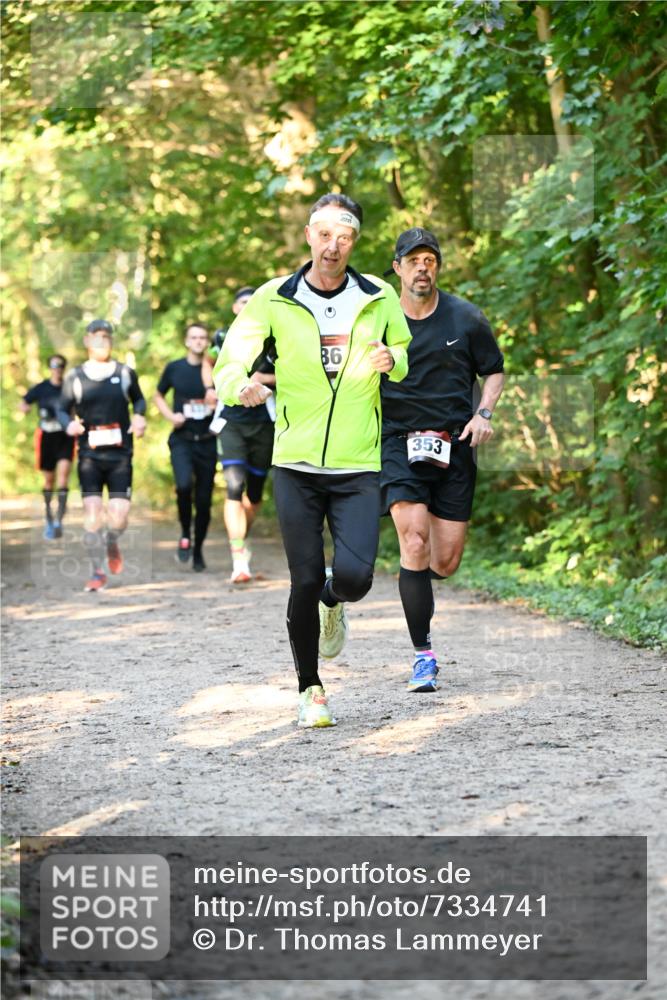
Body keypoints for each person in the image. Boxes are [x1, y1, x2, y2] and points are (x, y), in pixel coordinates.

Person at [214, 193, 412, 728]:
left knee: (355, 577)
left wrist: (392, 359)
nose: (333, 245)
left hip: (357, 464)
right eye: (324, 234)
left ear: (354, 241)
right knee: (302, 579)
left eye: (343, 236)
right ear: (309, 235)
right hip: (296, 463)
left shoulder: (378, 294)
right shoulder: (275, 297)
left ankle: (335, 601)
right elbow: (230, 359)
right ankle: (310, 690)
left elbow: (403, 350)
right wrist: (240, 386)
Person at [380, 228, 505, 691]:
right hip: (397, 441)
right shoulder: (377, 319)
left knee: (444, 560)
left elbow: (493, 371)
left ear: (438, 267)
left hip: (454, 444)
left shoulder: (465, 317)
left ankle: (415, 584)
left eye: (429, 260)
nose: (421, 268)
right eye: (413, 260)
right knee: (414, 542)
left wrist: (483, 413)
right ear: (397, 268)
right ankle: (423, 656)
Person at [56, 319, 147, 592]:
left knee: (119, 517)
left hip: (120, 456)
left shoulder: (125, 372)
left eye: (106, 337)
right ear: (87, 341)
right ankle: (97, 572)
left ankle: (112, 539)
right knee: (93, 514)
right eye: (96, 337)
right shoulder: (75, 376)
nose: (102, 341)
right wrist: (68, 424)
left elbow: (139, 399)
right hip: (89, 456)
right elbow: (62, 408)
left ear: (111, 341)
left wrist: (139, 417)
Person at [208, 287, 276, 583]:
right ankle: (239, 558)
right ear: (235, 308)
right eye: (243, 303)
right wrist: (211, 389)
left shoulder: (275, 337)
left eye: (252, 302)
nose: (248, 306)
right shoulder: (223, 338)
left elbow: (296, 371)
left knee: (255, 494)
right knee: (234, 485)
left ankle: (241, 540)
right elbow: (210, 367)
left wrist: (264, 378)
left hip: (265, 422)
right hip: (232, 421)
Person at [154, 323, 217, 572]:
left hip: (208, 441)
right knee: (183, 486)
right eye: (194, 337)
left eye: (203, 337)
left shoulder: (216, 370)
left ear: (207, 343)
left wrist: (217, 407)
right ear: (186, 341)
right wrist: (171, 416)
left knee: (203, 500)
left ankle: (198, 549)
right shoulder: (175, 368)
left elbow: (230, 398)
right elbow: (158, 395)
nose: (199, 341)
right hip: (182, 439)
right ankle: (184, 532)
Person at [20, 354, 75, 539]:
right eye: (54, 366)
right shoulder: (41, 388)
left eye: (60, 366)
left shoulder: (70, 387)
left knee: (63, 477)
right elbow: (24, 402)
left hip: (65, 436)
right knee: (49, 481)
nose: (57, 369)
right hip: (46, 437)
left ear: (64, 368)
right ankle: (49, 517)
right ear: (50, 367)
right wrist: (25, 409)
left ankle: (59, 519)